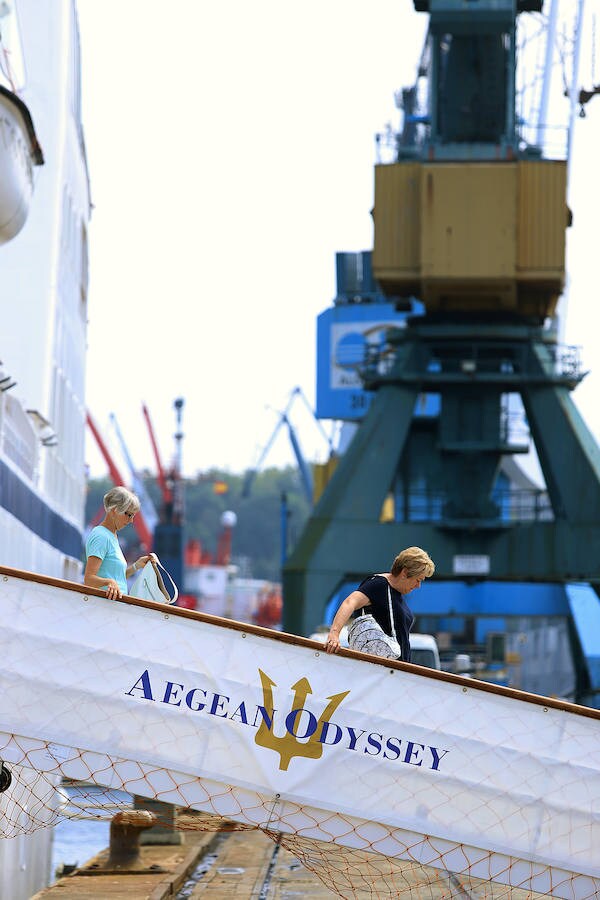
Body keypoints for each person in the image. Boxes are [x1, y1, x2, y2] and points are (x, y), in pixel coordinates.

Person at [325, 546, 435, 661]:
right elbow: (350, 602)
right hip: (381, 669)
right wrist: (334, 634)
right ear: (405, 573)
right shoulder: (378, 584)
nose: (418, 586)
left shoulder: (397, 593)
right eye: (418, 580)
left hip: (396, 670)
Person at [84, 486, 152, 600]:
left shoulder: (111, 536)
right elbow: (89, 579)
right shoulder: (101, 536)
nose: (131, 521)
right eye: (128, 515)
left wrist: (136, 566)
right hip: (104, 608)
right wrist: (109, 582)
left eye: (133, 516)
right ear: (114, 510)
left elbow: (117, 578)